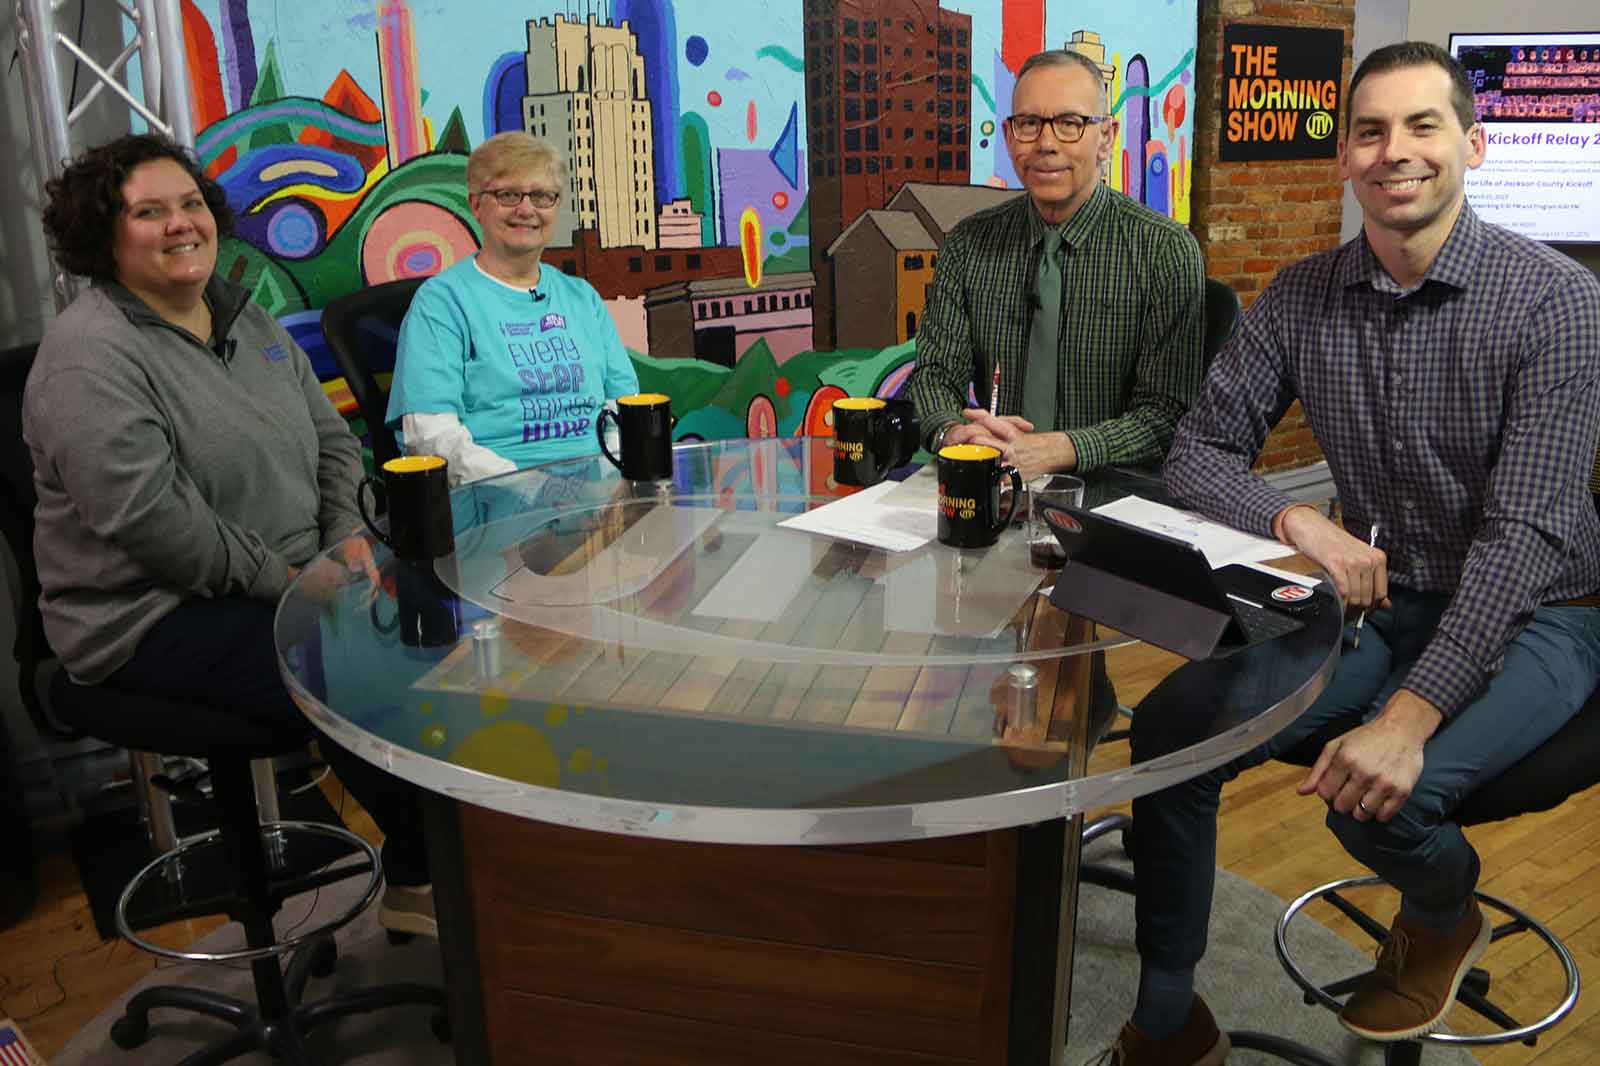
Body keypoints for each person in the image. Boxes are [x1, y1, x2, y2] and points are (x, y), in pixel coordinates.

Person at [1109, 42, 1600, 1066]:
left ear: (1470, 142)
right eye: (1369, 131)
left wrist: (1406, 716)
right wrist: (1297, 522)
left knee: (1387, 793)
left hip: (1539, 610)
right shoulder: (1300, 295)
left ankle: (1443, 909)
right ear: (1344, 160)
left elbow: (1522, 537)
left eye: (1421, 126)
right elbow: (1197, 447)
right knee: (1167, 734)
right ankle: (1166, 1020)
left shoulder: (1556, 302)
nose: (1394, 152)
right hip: (1379, 595)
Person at [24, 133, 437, 938]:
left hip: (292, 578)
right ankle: (428, 875)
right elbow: (153, 525)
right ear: (102, 235)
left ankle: (455, 863)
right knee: (354, 664)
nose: (180, 225)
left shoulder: (250, 320)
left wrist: (346, 541)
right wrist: (294, 583)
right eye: (148, 212)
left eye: (189, 206)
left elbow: (331, 443)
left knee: (431, 626)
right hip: (144, 616)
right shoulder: (87, 358)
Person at [905, 48, 1205, 481]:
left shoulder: (1164, 251)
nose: (1046, 144)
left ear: (1106, 137)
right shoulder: (968, 244)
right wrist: (954, 434)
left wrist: (1060, 449)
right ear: (1009, 137)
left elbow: (1167, 416)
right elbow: (934, 375)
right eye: (1029, 124)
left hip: (1111, 500)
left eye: (1070, 124)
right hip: (991, 486)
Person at [386, 132, 639, 485]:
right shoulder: (441, 303)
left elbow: (624, 406)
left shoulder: (582, 298)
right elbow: (430, 436)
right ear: (475, 205)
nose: (526, 209)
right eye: (508, 194)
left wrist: (610, 482)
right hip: (495, 502)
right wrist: (535, 489)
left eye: (541, 196)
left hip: (597, 494)